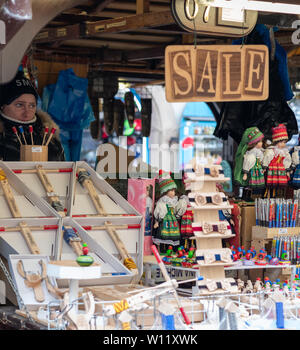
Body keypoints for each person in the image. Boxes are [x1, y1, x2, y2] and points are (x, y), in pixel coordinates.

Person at [0, 71, 65, 161]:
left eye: (32, 105)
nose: (27, 113)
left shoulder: (49, 138)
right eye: (19, 105)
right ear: (3, 106)